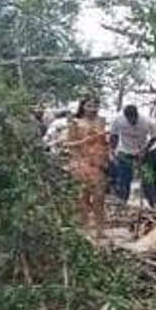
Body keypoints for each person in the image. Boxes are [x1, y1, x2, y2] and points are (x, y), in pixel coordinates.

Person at [64, 96, 110, 235]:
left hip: (98, 164)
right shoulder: (75, 123)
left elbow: (105, 143)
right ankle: (85, 229)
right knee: (83, 198)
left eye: (95, 106)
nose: (92, 109)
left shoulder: (102, 121)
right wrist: (84, 141)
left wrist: (107, 156)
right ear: (83, 107)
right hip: (81, 163)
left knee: (99, 197)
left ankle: (100, 230)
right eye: (89, 106)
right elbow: (68, 144)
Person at [109, 104, 156, 208]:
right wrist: (112, 150)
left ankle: (153, 202)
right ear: (125, 116)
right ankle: (122, 202)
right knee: (124, 178)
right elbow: (114, 135)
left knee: (148, 177)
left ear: (137, 114)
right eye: (129, 118)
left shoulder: (147, 121)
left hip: (144, 151)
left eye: (134, 118)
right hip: (125, 151)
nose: (132, 121)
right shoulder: (118, 120)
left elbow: (155, 137)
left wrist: (145, 150)